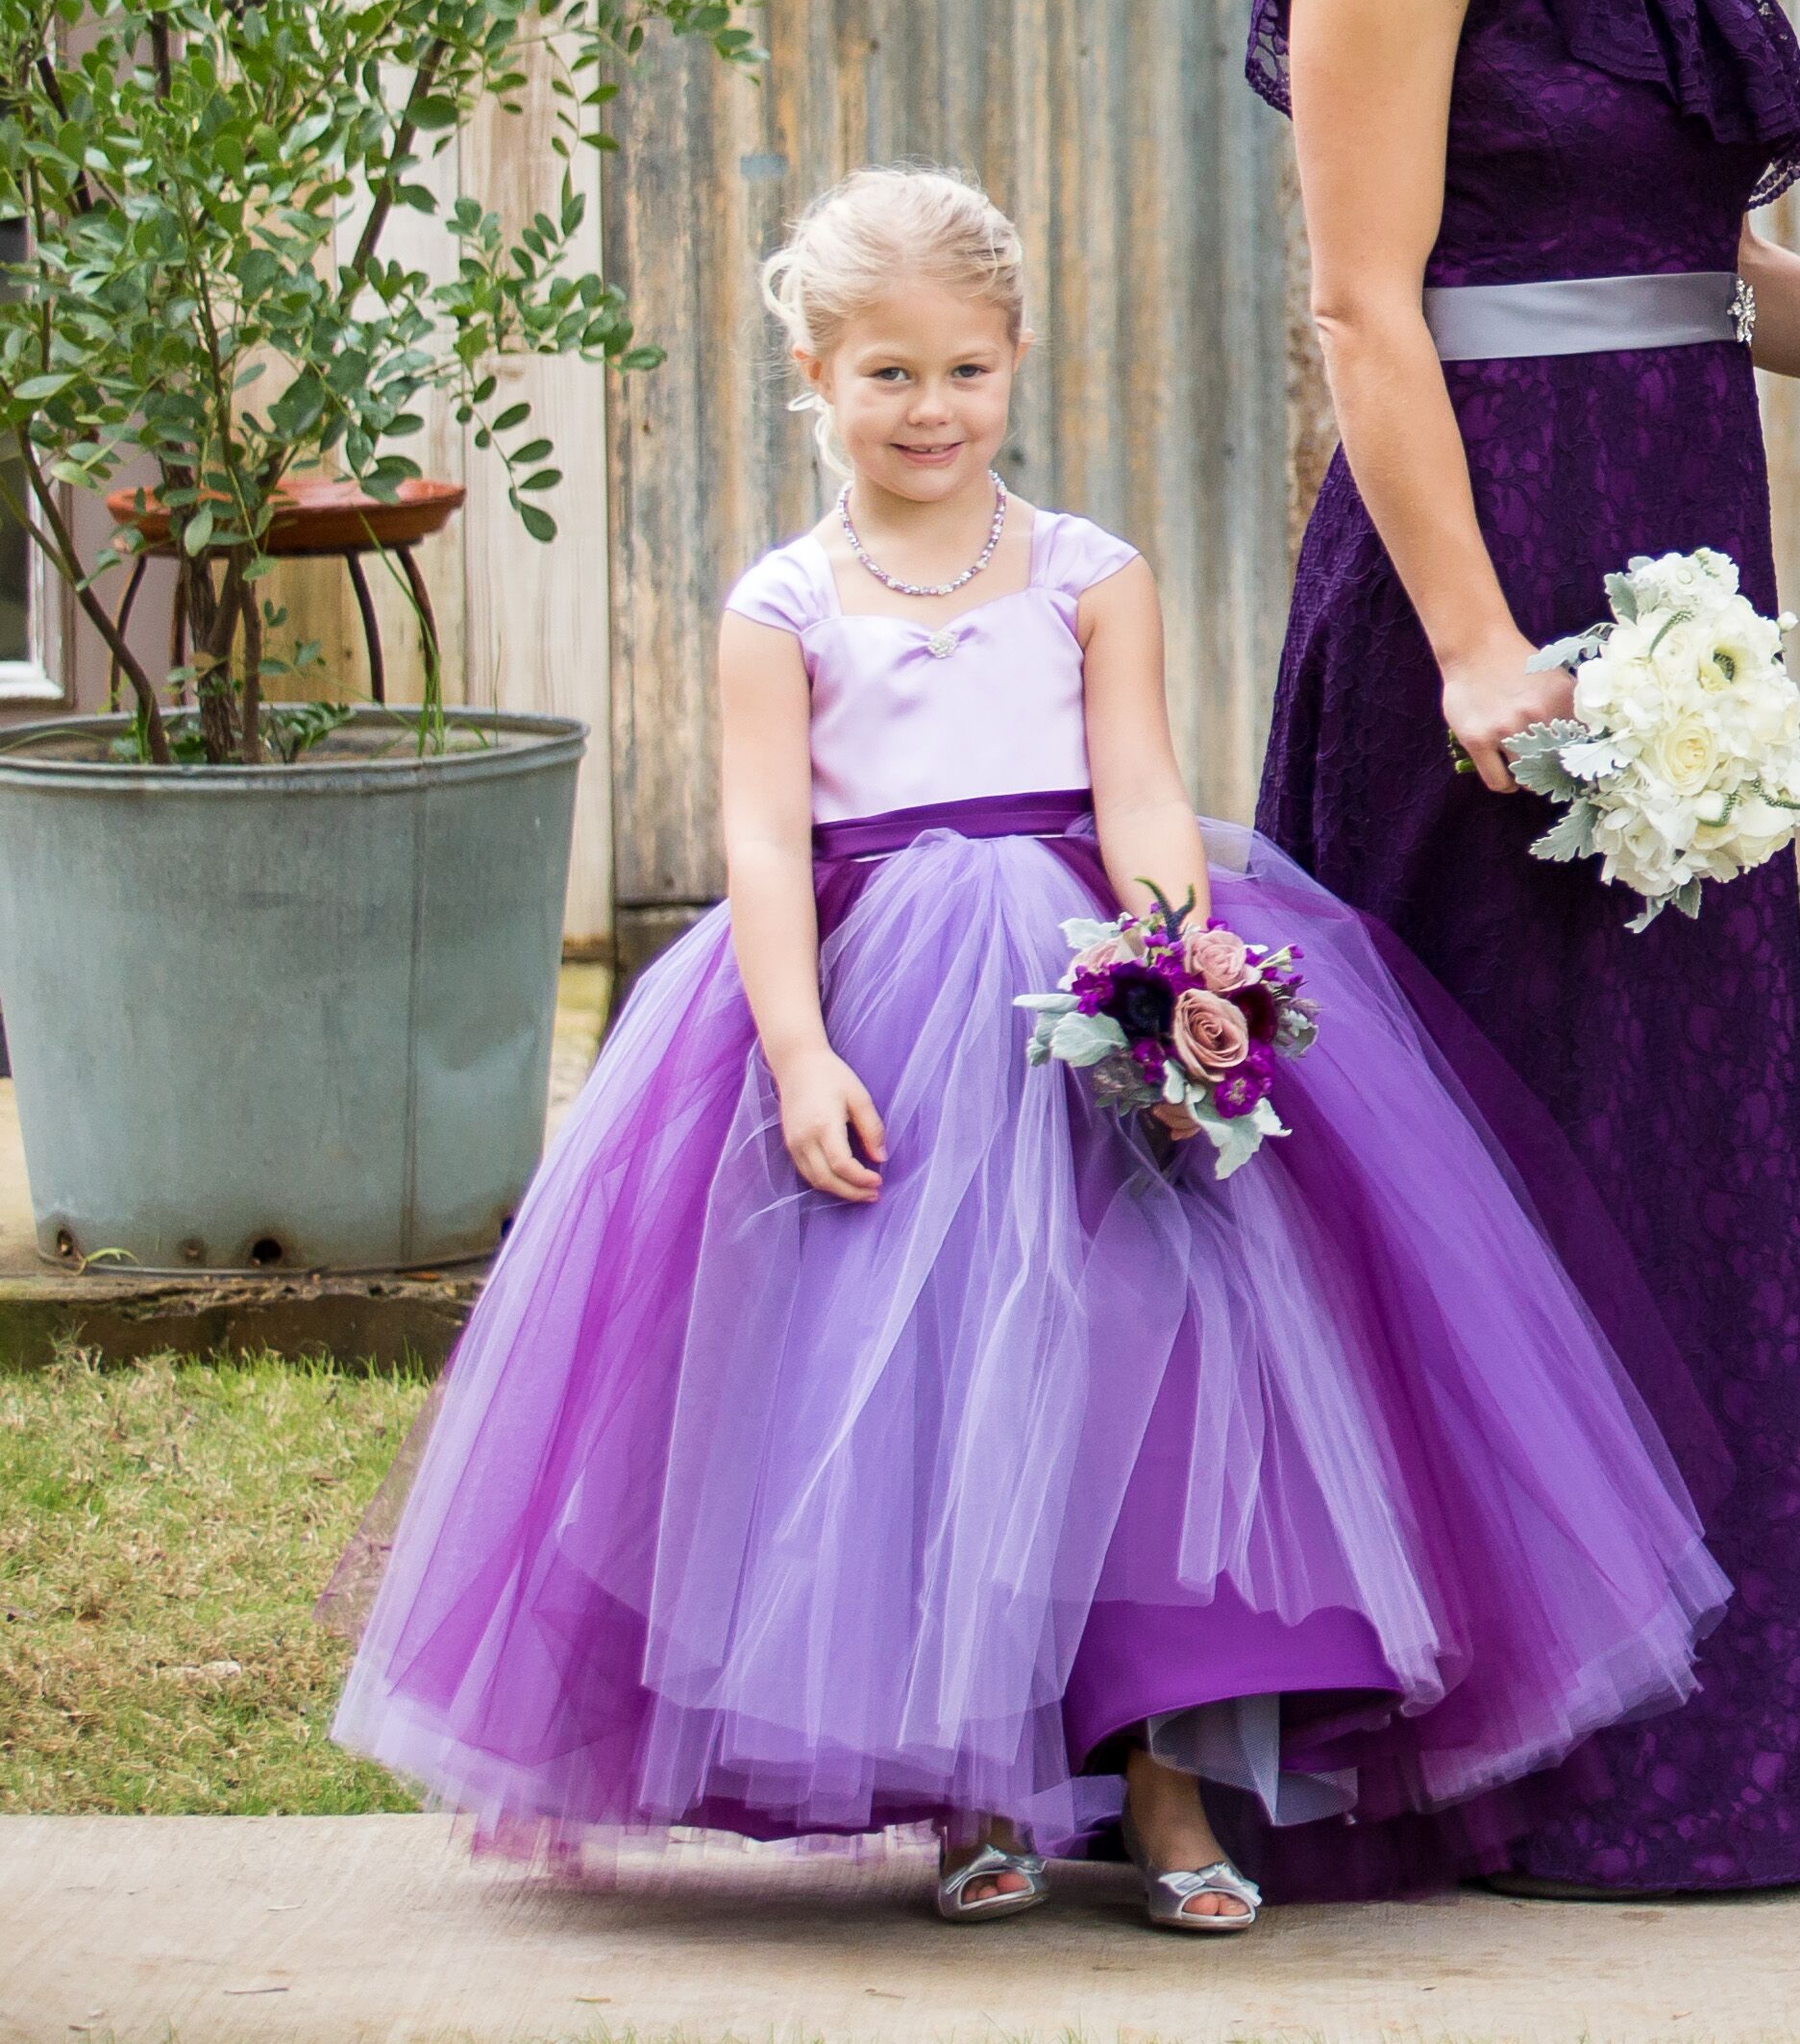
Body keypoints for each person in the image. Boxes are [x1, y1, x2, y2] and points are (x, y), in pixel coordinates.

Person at [333, 171, 1727, 1932]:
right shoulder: (784, 603)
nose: (933, 411)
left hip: (1083, 1007)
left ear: (1016, 363)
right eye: (889, 375)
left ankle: (1165, 1792)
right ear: (814, 376)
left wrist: (1177, 967)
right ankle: (972, 1791)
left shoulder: (1087, 574)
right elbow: (765, 843)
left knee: (1150, 1372)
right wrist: (795, 1052)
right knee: (906, 1397)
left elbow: (1138, 787)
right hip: (881, 1029)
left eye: (967, 372)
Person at [1250, 0, 1800, 1892]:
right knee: (1469, 1165)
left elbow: (1722, 286)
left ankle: (1688, 1760)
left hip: (1686, 606)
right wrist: (1464, 644)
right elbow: (1360, 301)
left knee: (1687, 1147)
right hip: (1483, 590)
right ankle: (1447, 1755)